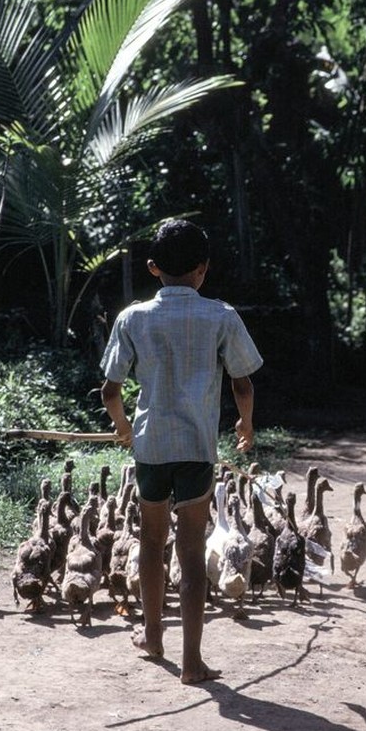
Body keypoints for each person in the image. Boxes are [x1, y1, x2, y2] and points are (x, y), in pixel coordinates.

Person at [100, 218, 262, 685]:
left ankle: (152, 637)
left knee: (151, 542)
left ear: (152, 268)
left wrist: (124, 428)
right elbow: (242, 382)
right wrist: (245, 424)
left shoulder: (132, 318)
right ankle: (192, 663)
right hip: (196, 448)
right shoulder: (222, 316)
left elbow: (110, 390)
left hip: (151, 448)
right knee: (191, 553)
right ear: (203, 269)